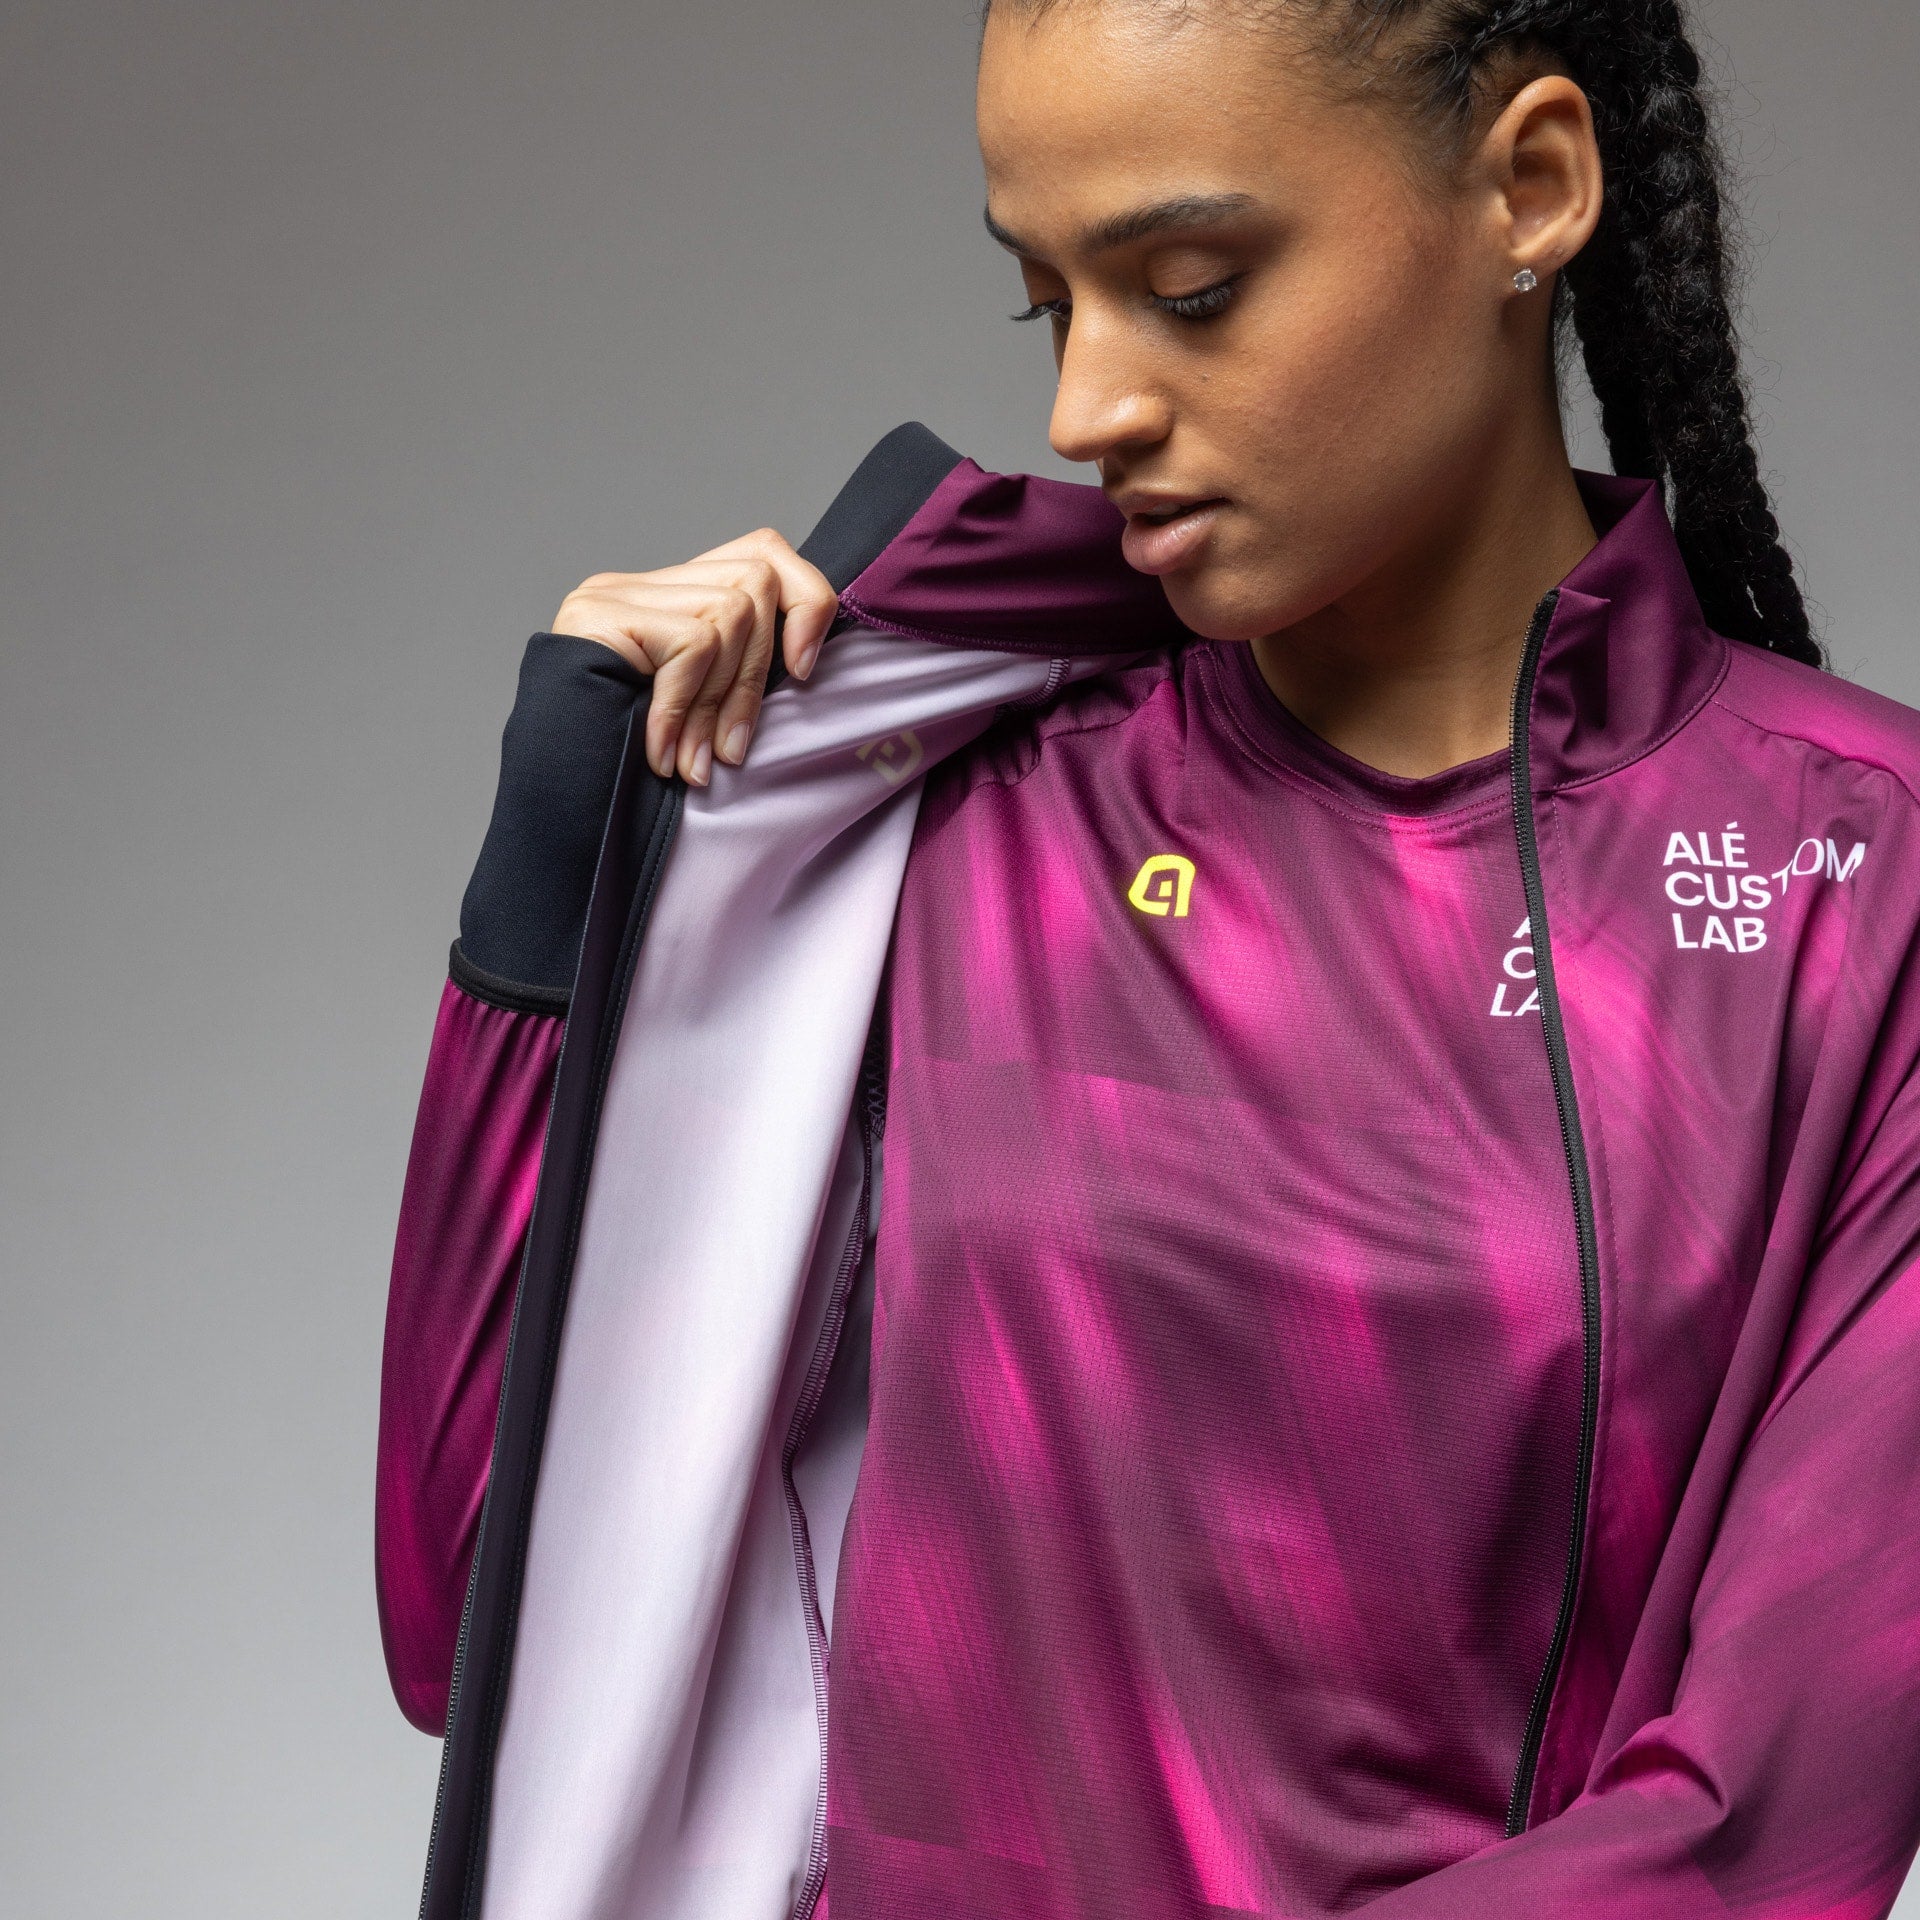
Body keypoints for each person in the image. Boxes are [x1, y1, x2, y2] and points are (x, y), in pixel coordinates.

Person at [376, 3, 1920, 1917]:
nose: (1087, 409)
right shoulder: (950, 822)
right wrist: (568, 871)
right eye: (1052, 306)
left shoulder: (1862, 892)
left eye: (1191, 291)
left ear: (1530, 186)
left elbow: (1762, 1826)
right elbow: (488, 1629)